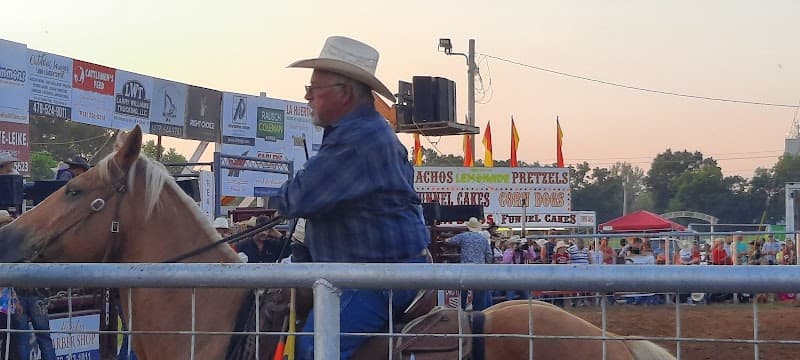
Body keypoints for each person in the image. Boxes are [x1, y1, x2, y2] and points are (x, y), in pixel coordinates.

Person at [273, 36, 430, 359]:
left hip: (377, 277)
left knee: (315, 348)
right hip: (385, 269)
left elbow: (296, 198)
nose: (307, 96)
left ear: (344, 92)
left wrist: (282, 198)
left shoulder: (355, 140)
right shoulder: (369, 131)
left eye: (314, 88)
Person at [444, 217, 492, 310]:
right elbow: (489, 254)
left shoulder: (463, 236)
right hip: (479, 268)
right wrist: (487, 265)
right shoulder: (483, 239)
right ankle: (477, 310)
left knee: (464, 288)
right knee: (478, 291)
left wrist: (444, 239)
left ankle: (463, 308)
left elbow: (449, 241)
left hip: (465, 267)